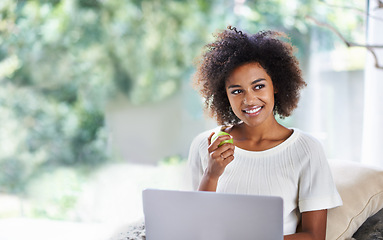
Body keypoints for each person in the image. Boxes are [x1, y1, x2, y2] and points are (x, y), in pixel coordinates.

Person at [188, 26, 342, 240]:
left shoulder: (307, 149)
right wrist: (212, 174)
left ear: (276, 85)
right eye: (237, 91)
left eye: (258, 86)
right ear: (225, 95)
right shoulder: (205, 145)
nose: (249, 100)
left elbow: (314, 236)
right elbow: (196, 227)